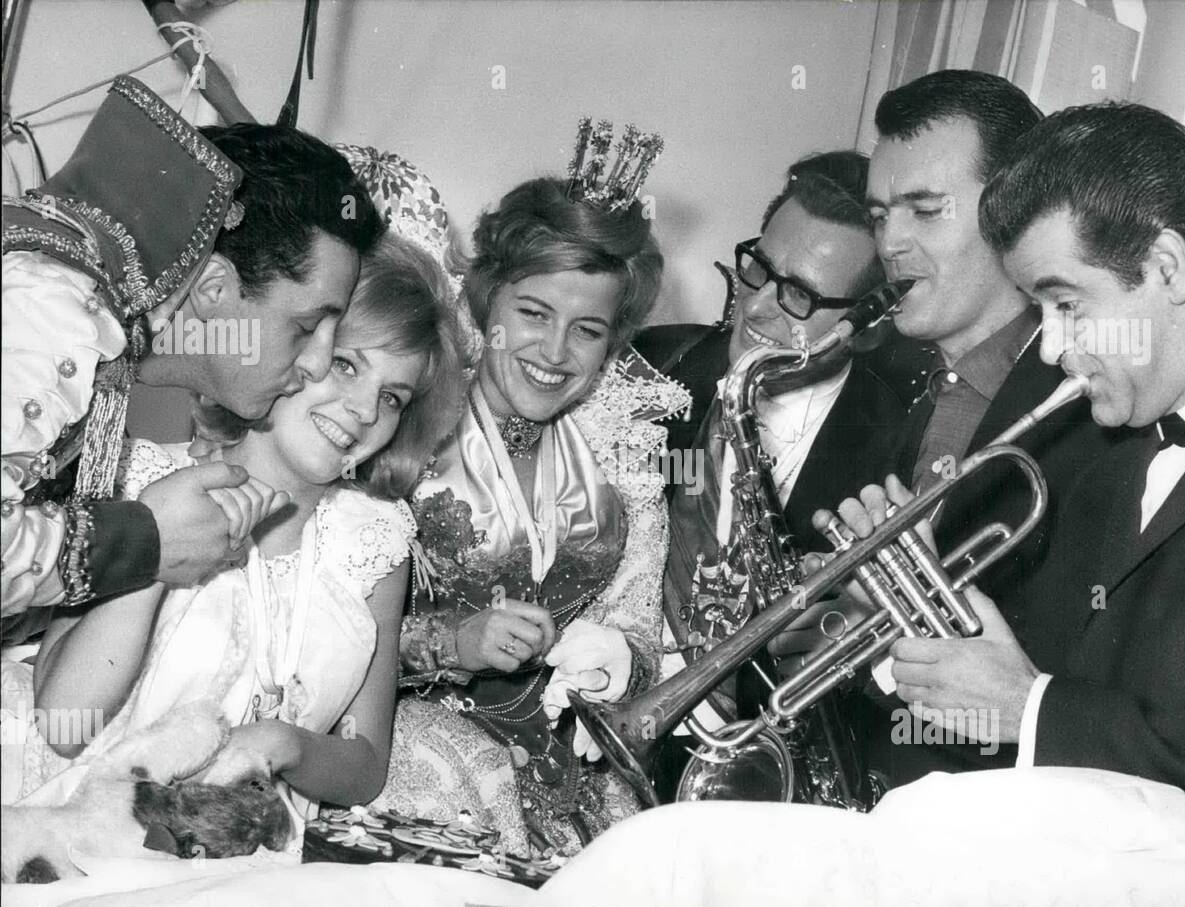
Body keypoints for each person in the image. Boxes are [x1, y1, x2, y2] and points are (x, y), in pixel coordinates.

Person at [842, 101, 1185, 871]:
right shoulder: (1087, 449)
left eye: (1066, 305)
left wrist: (1031, 708)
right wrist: (919, 633)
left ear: (1166, 268)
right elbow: (1015, 699)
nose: (1051, 349)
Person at [13, 231, 463, 825]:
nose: (363, 410)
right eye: (347, 365)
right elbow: (65, 725)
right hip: (67, 820)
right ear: (296, 348)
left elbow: (365, 765)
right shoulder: (138, 482)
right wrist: (150, 547)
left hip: (235, 851)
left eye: (393, 397)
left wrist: (288, 745)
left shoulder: (376, 540)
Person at [776, 70, 1124, 787]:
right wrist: (839, 611)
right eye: (879, 215)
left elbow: (1045, 687)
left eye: (925, 210)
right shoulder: (924, 395)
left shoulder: (1088, 415)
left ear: (1016, 212)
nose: (890, 244)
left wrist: (895, 623)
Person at [380, 127, 689, 855]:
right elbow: (315, 641)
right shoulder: (403, 418)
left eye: (586, 330)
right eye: (533, 314)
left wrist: (622, 659)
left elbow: (640, 631)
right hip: (416, 764)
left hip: (579, 778)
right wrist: (452, 642)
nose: (554, 354)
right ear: (487, 301)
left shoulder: (623, 445)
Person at [1, 76, 383, 633]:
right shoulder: (54, 310)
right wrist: (146, 542)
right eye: (306, 326)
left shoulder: (94, 314)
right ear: (212, 288)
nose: (319, 365)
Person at [634, 151, 925, 795]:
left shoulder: (904, 449)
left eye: (799, 295)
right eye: (759, 269)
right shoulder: (649, 370)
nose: (757, 308)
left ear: (869, 329)